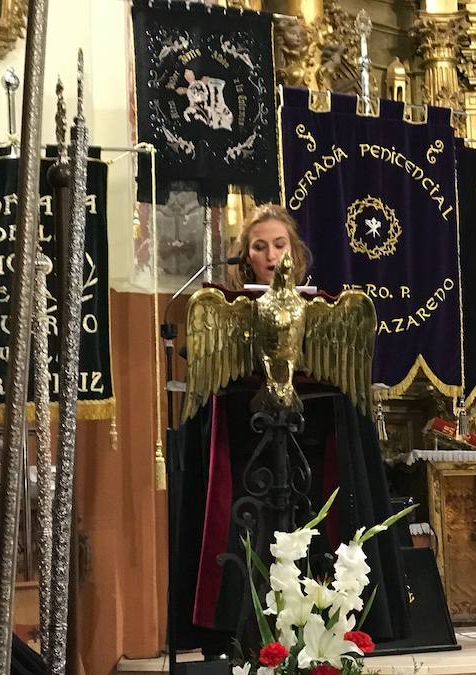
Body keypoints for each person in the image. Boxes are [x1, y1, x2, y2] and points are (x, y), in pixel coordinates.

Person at [173, 204, 410, 658]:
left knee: (315, 538)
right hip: (248, 453)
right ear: (246, 258)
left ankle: (323, 634)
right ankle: (242, 629)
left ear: (295, 254)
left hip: (313, 449)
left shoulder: (323, 307)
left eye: (279, 245)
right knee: (255, 541)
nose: (270, 255)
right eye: (259, 246)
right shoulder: (229, 304)